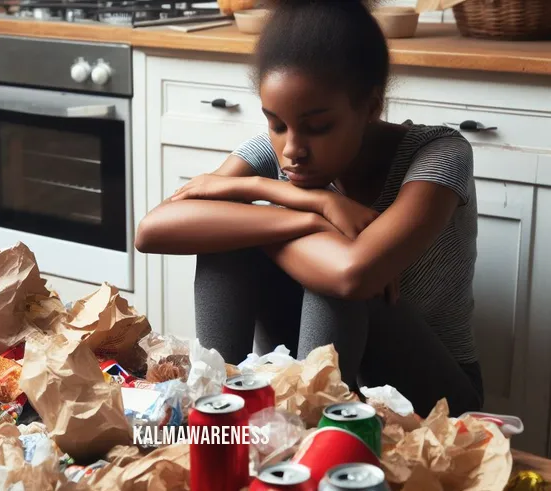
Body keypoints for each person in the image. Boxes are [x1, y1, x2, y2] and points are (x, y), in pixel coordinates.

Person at [135, 0, 483, 416]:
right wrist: (313, 205)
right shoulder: (276, 154)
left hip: (432, 396)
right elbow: (152, 229)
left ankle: (304, 428)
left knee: (324, 269)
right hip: (295, 369)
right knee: (227, 243)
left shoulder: (439, 154)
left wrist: (261, 219)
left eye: (318, 127)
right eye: (276, 123)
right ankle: (214, 406)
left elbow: (353, 274)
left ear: (371, 107)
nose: (292, 149)